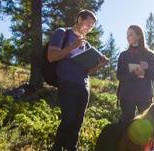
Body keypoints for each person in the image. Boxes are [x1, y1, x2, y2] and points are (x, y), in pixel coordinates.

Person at [48, 9, 108, 151]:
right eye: (88, 24)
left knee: (78, 122)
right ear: (80, 19)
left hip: (84, 85)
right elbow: (51, 57)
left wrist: (99, 65)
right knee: (68, 118)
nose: (89, 28)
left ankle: (72, 148)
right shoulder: (62, 32)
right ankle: (56, 148)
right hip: (67, 81)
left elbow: (87, 71)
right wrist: (72, 47)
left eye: (92, 26)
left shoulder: (86, 45)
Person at [117, 25, 154, 122]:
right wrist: (134, 74)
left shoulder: (149, 55)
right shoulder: (123, 55)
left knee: (145, 124)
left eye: (130, 34)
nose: (128, 37)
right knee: (126, 124)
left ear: (139, 36)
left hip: (144, 96)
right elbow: (119, 75)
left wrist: (144, 72)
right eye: (127, 35)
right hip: (127, 95)